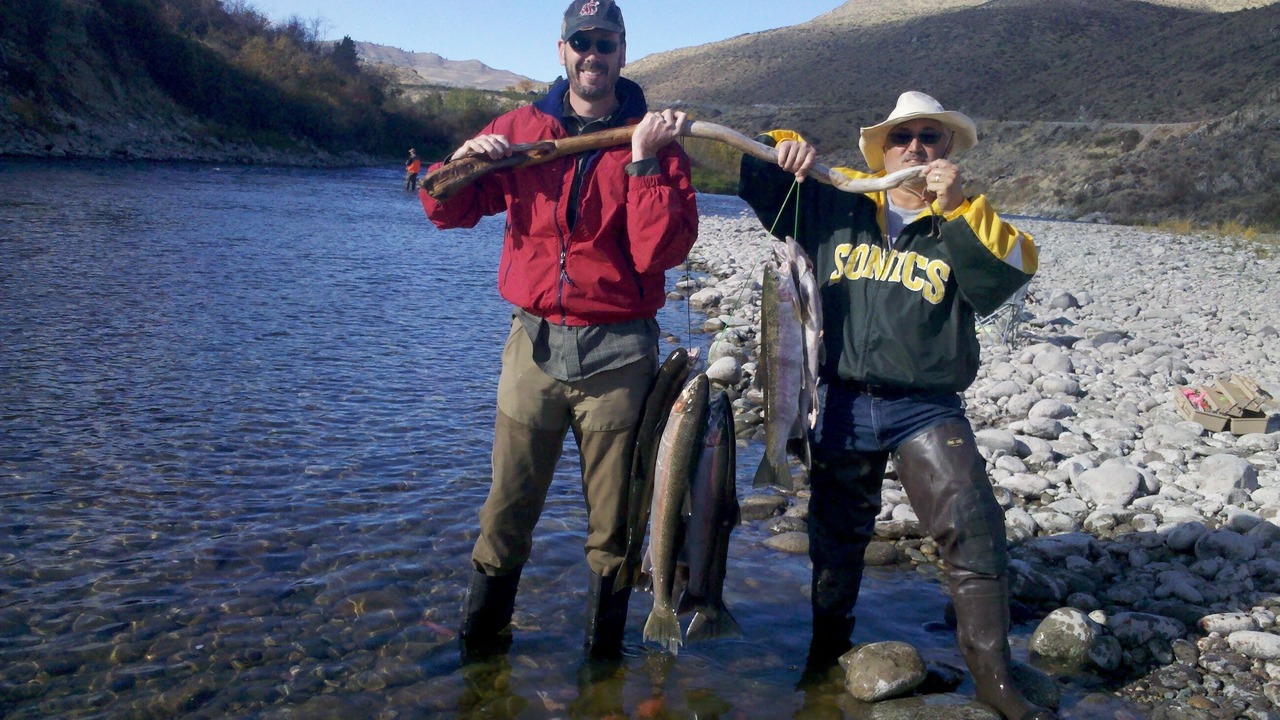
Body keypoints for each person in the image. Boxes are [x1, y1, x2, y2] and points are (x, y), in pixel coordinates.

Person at [737, 91, 1054, 720]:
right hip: (841, 400)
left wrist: (955, 208)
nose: (915, 148)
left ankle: (994, 681)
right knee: (835, 538)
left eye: (929, 138)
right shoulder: (837, 199)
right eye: (901, 138)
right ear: (881, 150)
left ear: (948, 151)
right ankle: (826, 653)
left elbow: (1004, 279)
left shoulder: (966, 219)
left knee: (974, 529)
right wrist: (783, 148)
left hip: (926, 406)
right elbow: (758, 181)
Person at [418, 0, 698, 663]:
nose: (593, 54)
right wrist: (466, 160)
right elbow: (443, 208)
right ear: (562, 50)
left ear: (623, 51)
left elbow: (658, 253)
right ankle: (480, 657)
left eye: (606, 42)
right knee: (506, 512)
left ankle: (602, 669)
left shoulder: (658, 141)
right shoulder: (520, 128)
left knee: (614, 528)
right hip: (533, 348)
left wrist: (642, 162)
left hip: (620, 357)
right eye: (582, 41)